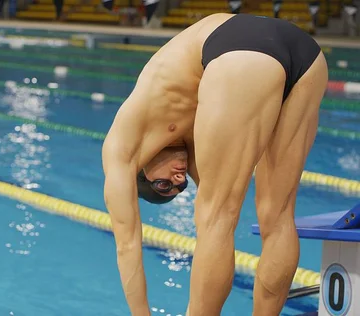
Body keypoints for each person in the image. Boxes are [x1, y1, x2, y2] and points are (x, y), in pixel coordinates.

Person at [101, 13, 327, 316]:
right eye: (179, 188)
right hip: (306, 55)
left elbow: (127, 246)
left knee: (216, 217)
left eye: (163, 184)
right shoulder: (190, 138)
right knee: (278, 216)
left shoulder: (121, 148)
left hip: (236, 46)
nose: (179, 180)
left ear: (140, 172)